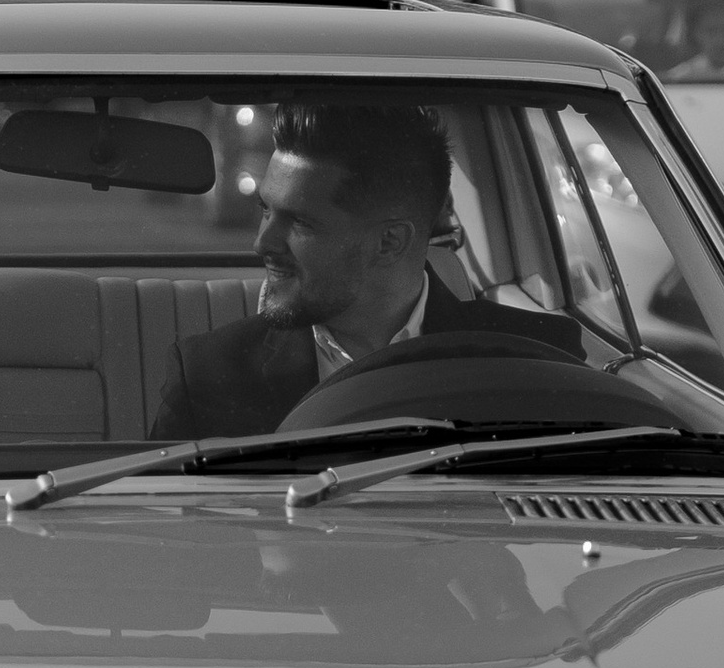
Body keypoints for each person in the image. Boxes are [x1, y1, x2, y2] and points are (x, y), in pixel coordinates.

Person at [152, 98, 586, 443]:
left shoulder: (538, 359)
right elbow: (171, 548)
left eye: (301, 223)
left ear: (390, 242)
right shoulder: (209, 377)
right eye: (266, 210)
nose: (262, 242)